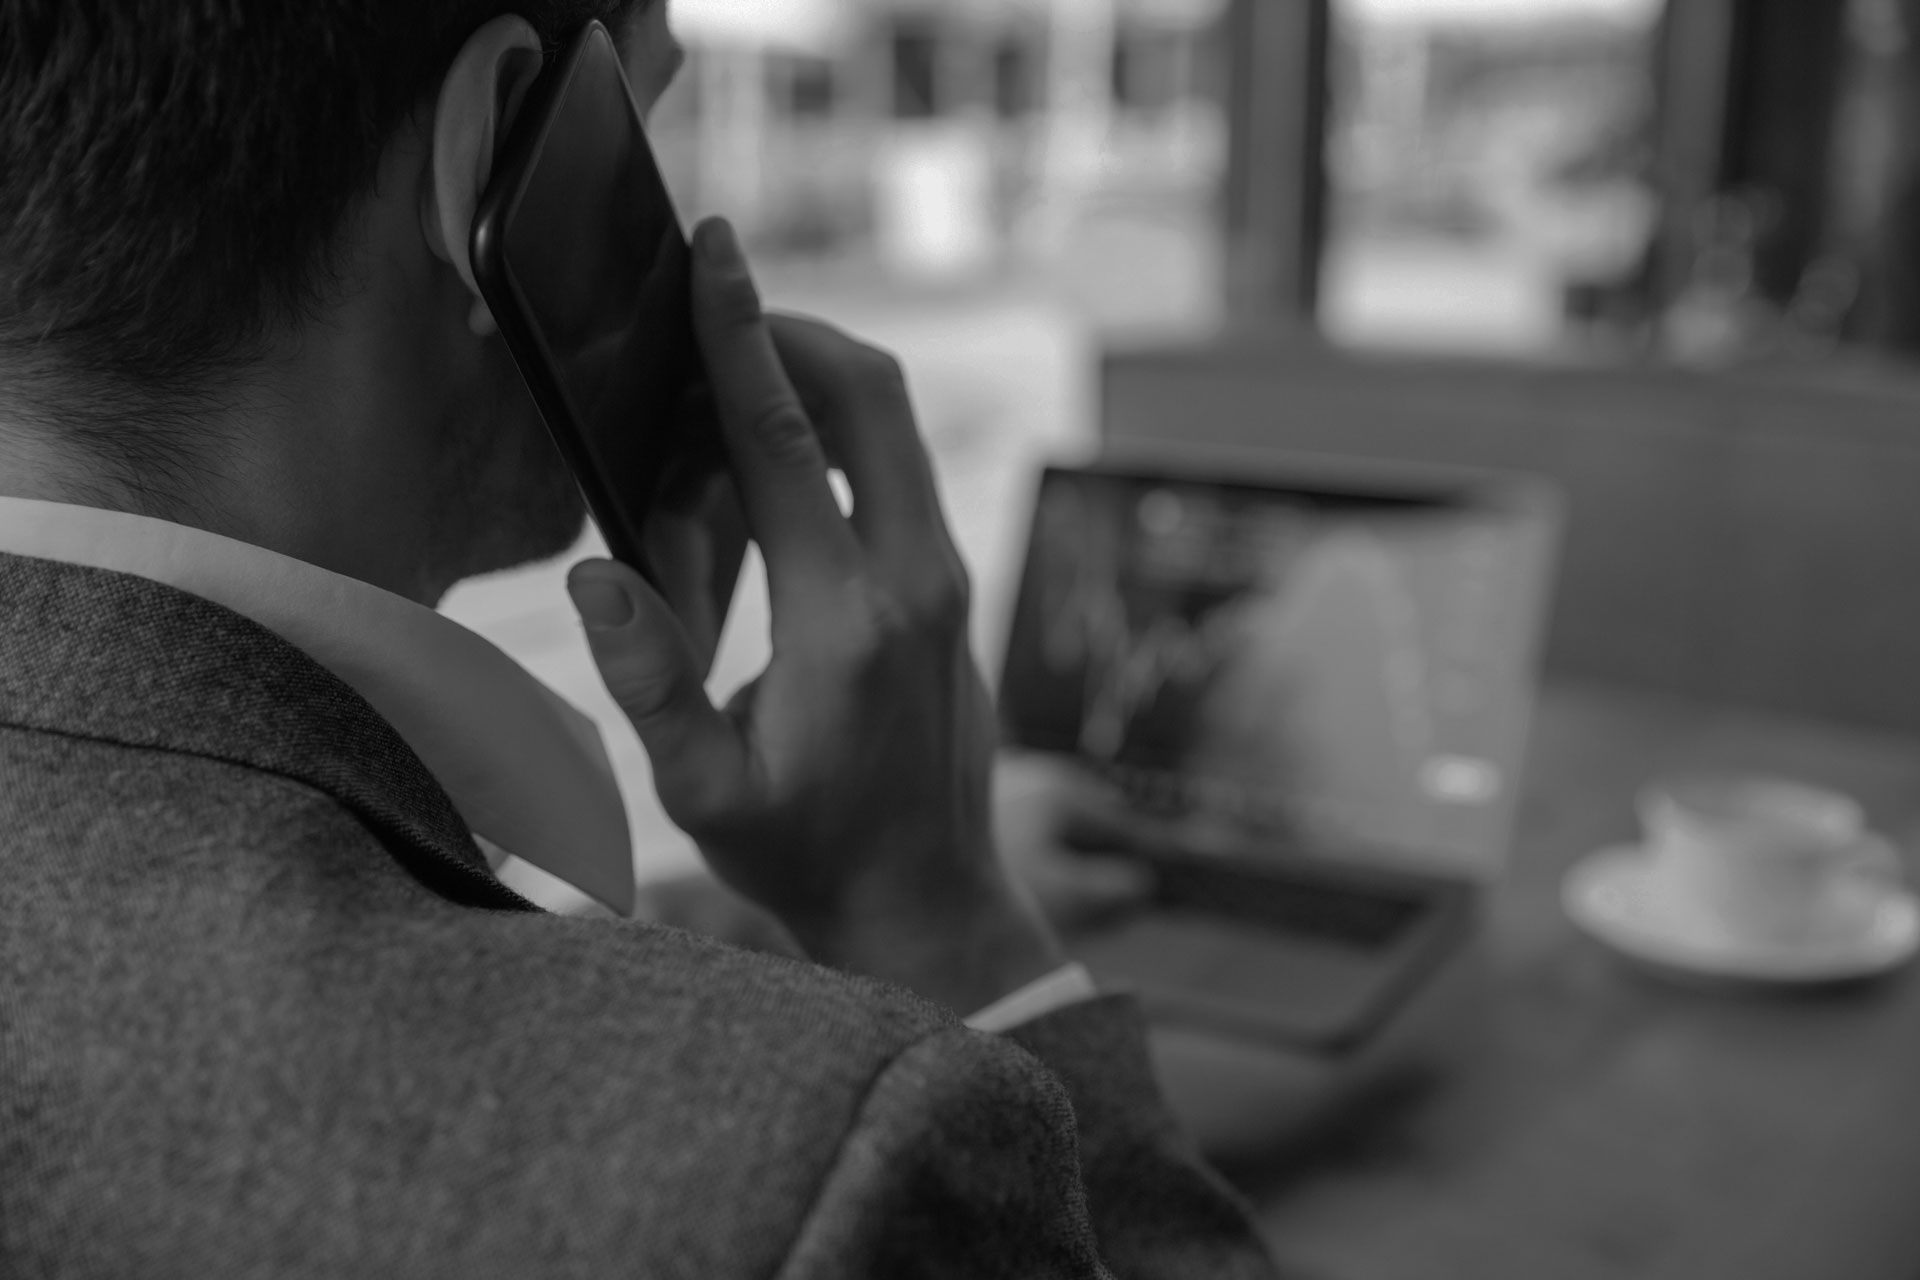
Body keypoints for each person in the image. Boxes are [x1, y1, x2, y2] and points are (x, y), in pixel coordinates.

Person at [0, 3, 1283, 1275]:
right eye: (643, 122)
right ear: (495, 145)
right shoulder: (825, 1159)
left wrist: (732, 914)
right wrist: (933, 913)